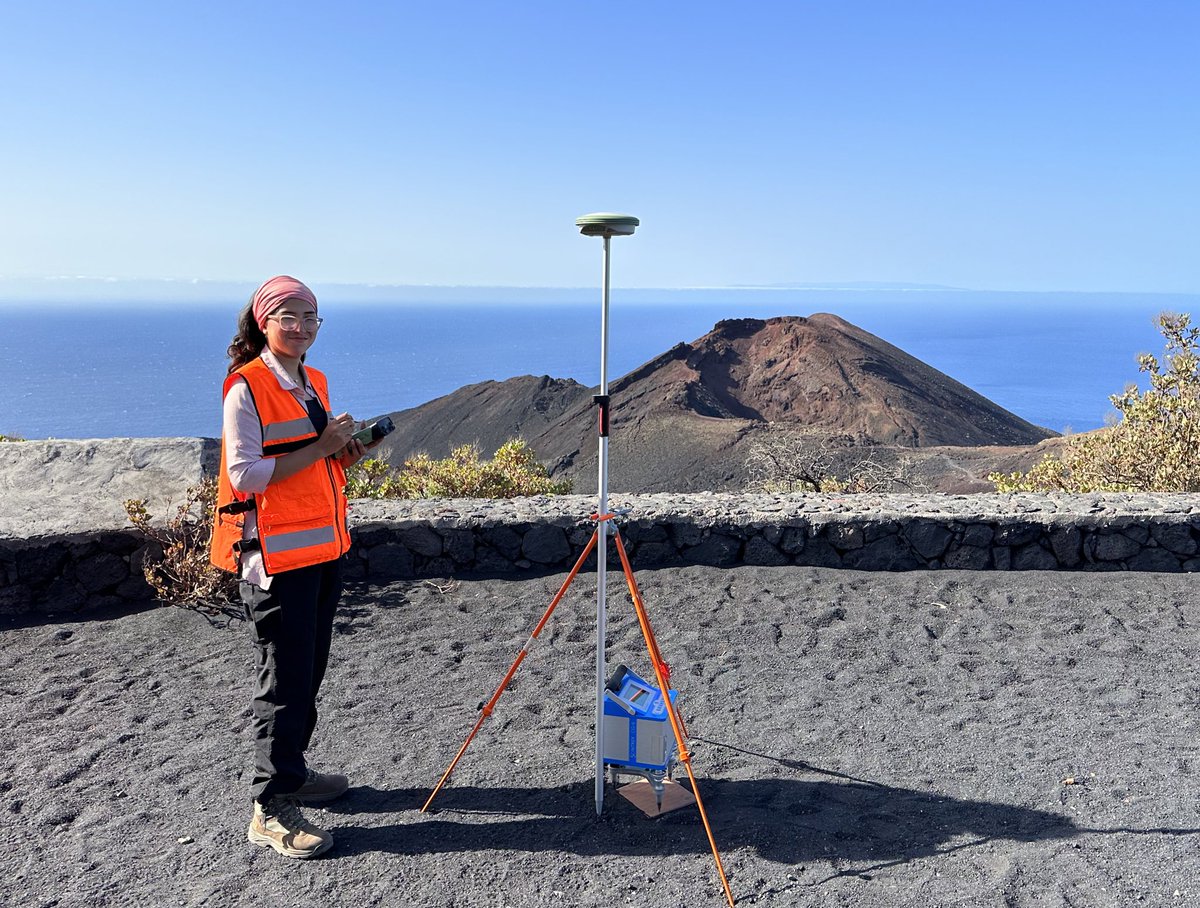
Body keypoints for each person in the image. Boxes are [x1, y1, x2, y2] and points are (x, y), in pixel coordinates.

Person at [210, 275, 370, 859]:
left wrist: (343, 454)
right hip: (275, 557)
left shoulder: (311, 380)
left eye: (311, 318)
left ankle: (293, 773)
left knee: (307, 672)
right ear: (262, 321)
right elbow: (245, 475)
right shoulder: (245, 387)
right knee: (282, 680)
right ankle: (269, 807)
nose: (301, 328)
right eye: (289, 317)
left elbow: (310, 469)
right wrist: (322, 447)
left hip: (323, 548)